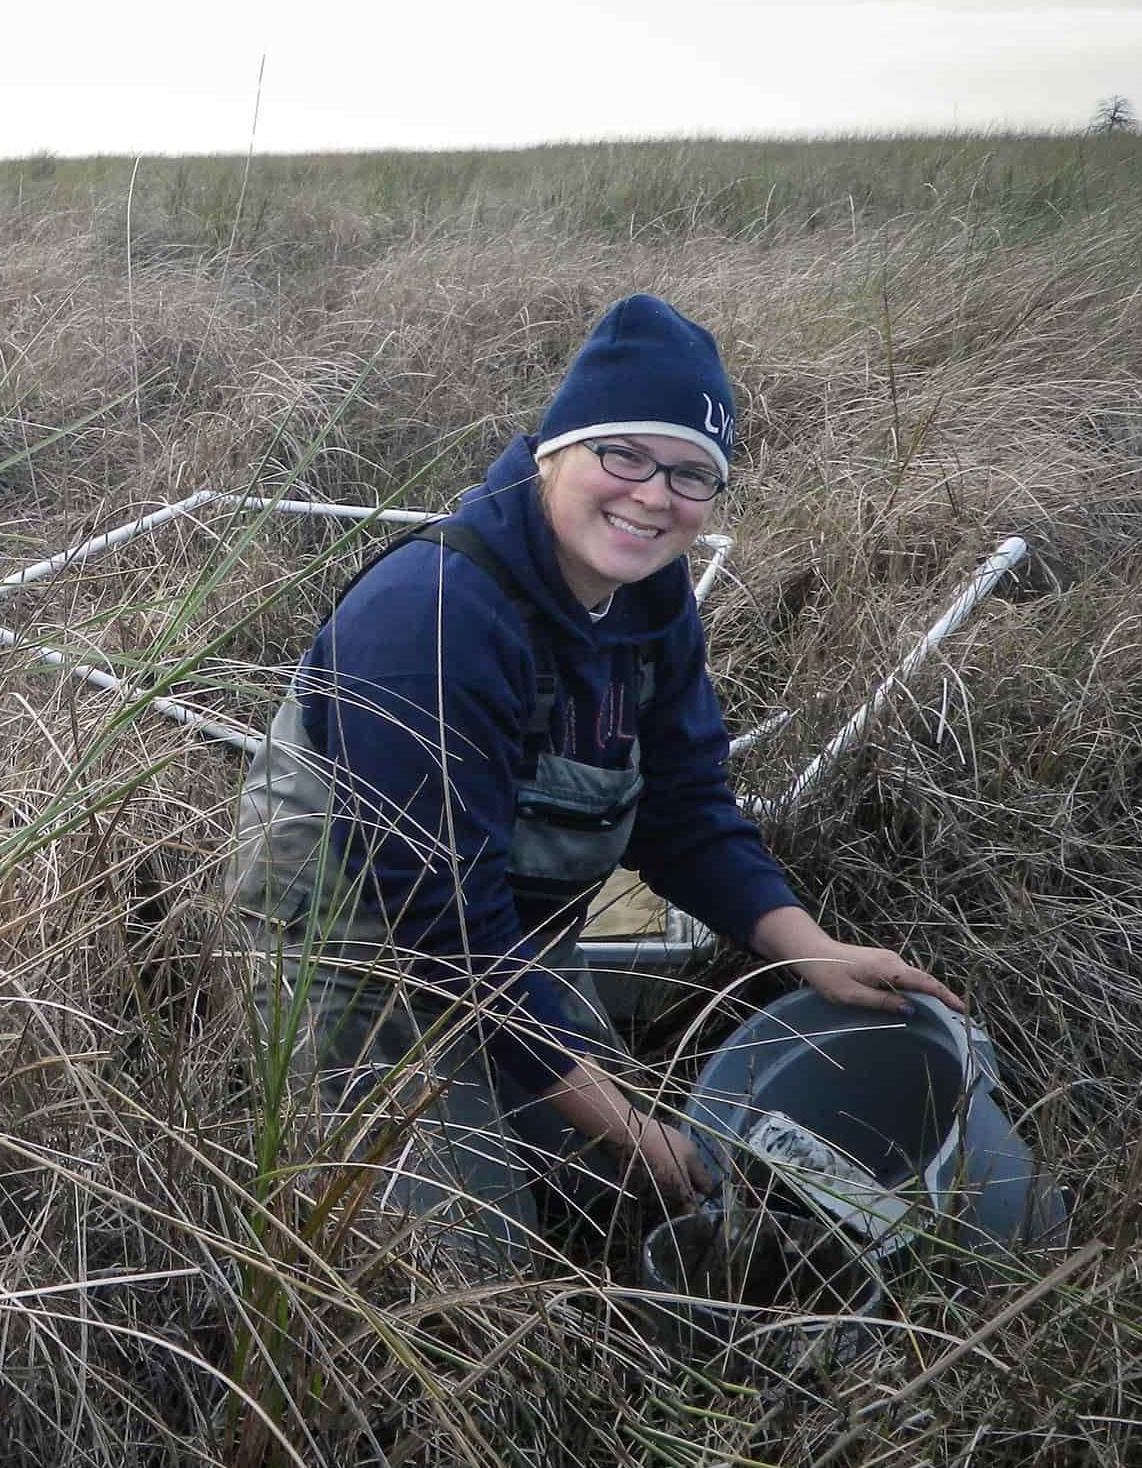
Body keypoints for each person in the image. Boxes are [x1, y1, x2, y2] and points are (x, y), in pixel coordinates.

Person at [224, 293, 964, 1257]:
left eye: (693, 474)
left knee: (637, 1193)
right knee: (472, 1272)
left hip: (518, 947)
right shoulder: (432, 615)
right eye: (624, 454)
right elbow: (449, 937)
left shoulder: (649, 601)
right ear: (554, 451)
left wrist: (808, 949)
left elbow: (688, 809)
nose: (655, 496)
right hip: (361, 967)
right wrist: (620, 1118)